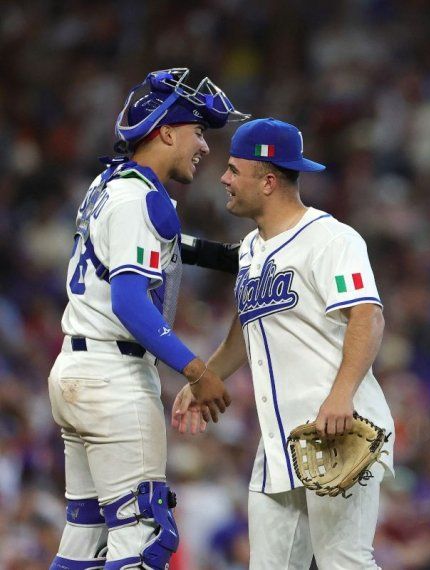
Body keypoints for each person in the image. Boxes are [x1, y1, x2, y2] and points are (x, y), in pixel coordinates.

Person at [172, 118, 395, 569]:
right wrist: (205, 377)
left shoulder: (331, 238)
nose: (223, 178)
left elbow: (368, 316)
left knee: (343, 562)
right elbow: (247, 328)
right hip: (278, 443)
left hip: (336, 428)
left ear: (269, 180)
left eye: (235, 170)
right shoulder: (252, 249)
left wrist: (341, 395)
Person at [47, 68, 244, 570]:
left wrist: (236, 256)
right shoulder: (140, 199)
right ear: (167, 132)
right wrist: (198, 370)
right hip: (113, 379)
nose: (204, 145)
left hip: (77, 371)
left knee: (85, 539)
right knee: (144, 539)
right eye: (198, 132)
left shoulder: (111, 183)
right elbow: (131, 302)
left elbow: (174, 249)